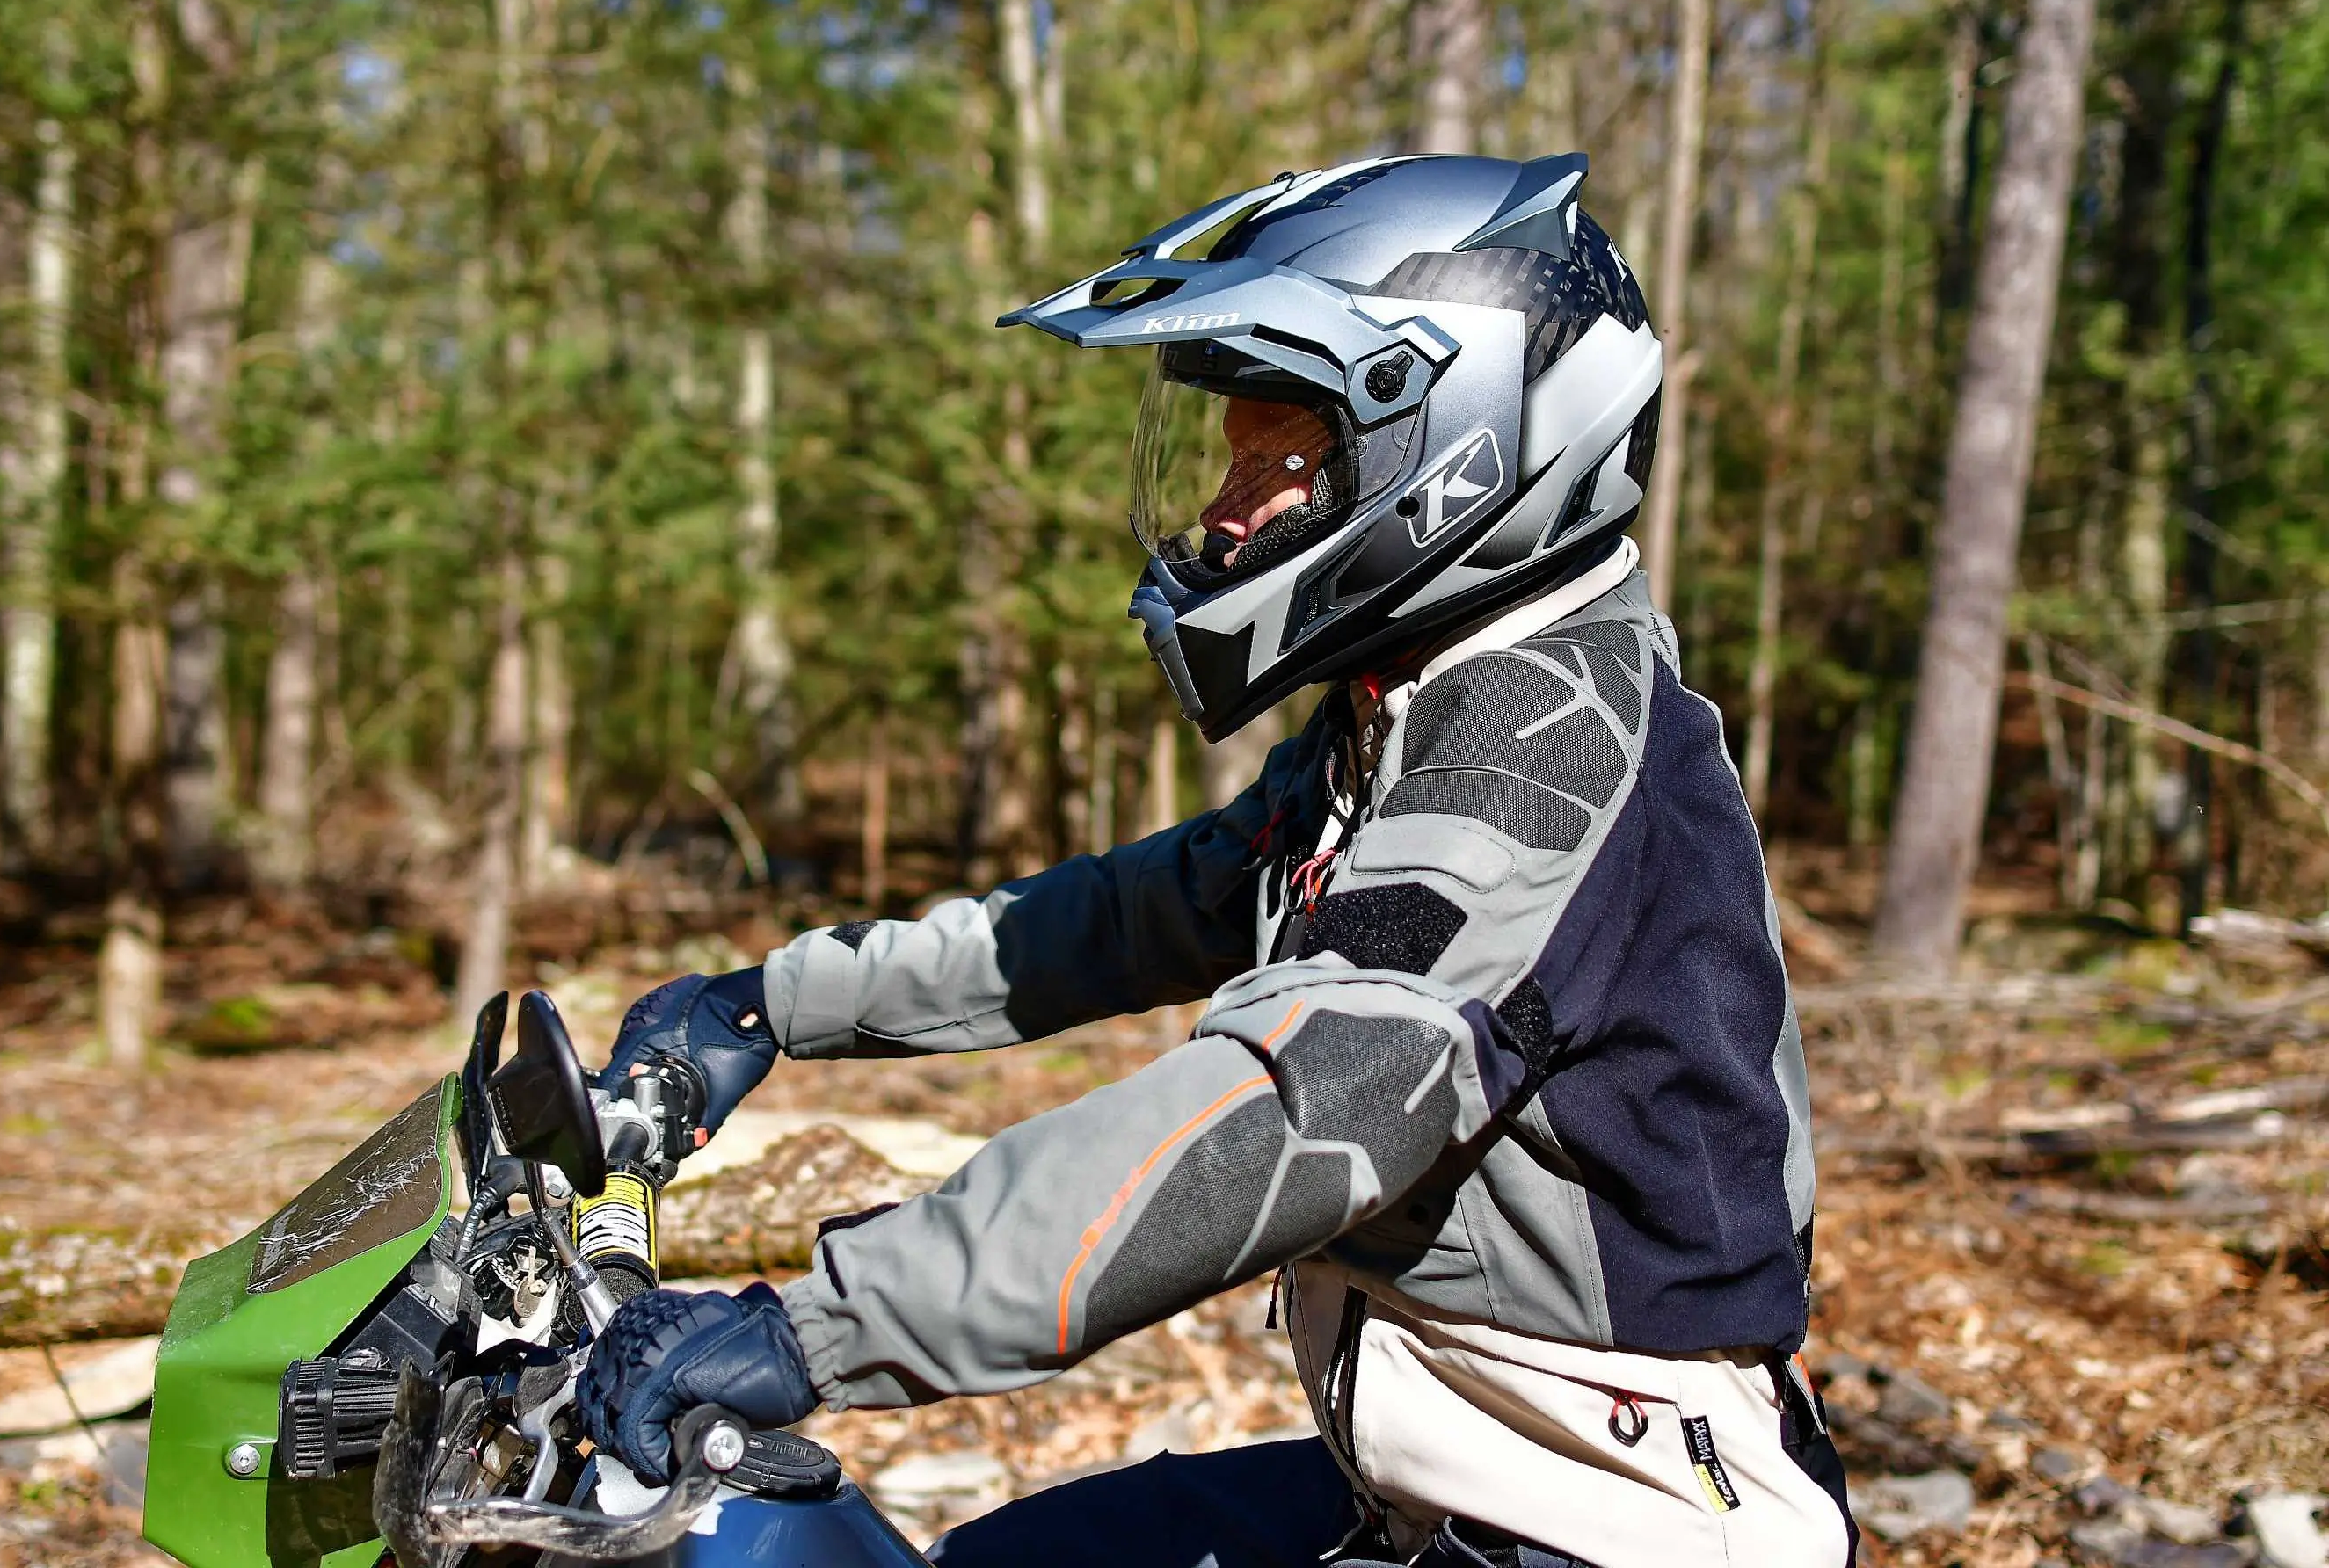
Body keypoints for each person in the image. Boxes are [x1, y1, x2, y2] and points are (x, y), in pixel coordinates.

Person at [574, 154, 1856, 1568]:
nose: (1227, 512)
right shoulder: (1422, 694)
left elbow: (1295, 1108)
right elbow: (1163, 902)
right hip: (1437, 1488)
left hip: (1603, 1523)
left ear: (1465, 444)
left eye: (1279, 462)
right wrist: (770, 1005)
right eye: (1229, 460)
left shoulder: (1536, 747)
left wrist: (817, 1323)